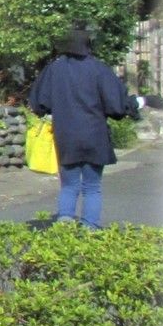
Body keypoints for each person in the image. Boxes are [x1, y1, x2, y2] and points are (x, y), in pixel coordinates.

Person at [27, 25, 141, 228]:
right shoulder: (99, 69)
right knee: (92, 187)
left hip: (66, 136)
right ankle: (90, 230)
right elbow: (117, 107)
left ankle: (64, 227)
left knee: (69, 186)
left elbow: (38, 103)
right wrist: (138, 103)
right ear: (88, 44)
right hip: (94, 136)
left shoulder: (54, 69)